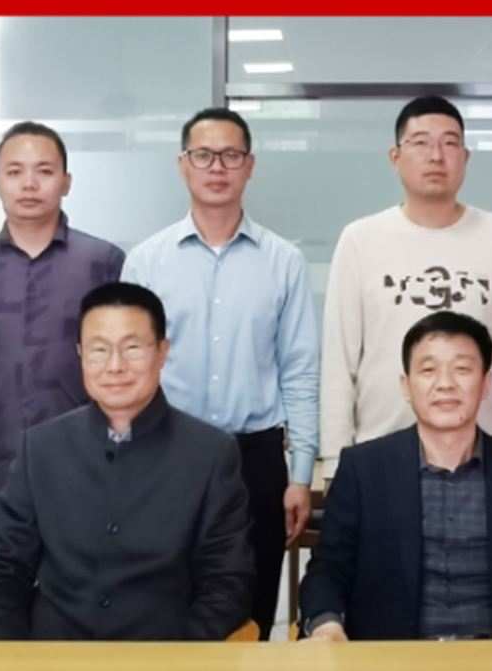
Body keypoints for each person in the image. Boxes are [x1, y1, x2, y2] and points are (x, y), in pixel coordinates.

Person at [122, 107, 317, 640]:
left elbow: (299, 370)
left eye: (231, 155)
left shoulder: (283, 261)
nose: (217, 167)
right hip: (164, 454)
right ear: (182, 165)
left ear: (249, 166)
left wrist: (300, 475)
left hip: (253, 459)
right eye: (203, 155)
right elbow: (129, 372)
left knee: (249, 610)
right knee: (162, 606)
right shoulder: (146, 261)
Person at [0, 282, 253, 640]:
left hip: (162, 654)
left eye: (132, 348)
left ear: (162, 352)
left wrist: (175, 658)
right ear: (80, 354)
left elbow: (227, 582)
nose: (115, 366)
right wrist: (13, 656)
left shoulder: (210, 453)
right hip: (54, 655)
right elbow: (2, 571)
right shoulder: (39, 448)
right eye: (99, 350)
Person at [300, 311, 492, 641]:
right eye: (428, 370)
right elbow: (328, 569)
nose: (445, 384)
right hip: (393, 658)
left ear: (485, 384)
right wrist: (327, 627)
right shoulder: (363, 469)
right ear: (406, 386)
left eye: (462, 369)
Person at [320, 95, 492, 476]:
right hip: (378, 454)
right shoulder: (361, 239)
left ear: (465, 157)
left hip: (482, 457)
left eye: (449, 143)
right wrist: (337, 461)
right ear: (395, 157)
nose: (436, 156)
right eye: (420, 143)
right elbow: (339, 362)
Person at [0, 121, 125, 572]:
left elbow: (123, 369)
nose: (29, 183)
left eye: (44, 171)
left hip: (86, 480)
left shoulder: (104, 263)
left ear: (66, 182)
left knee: (85, 609)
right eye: (15, 172)